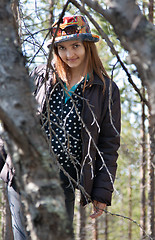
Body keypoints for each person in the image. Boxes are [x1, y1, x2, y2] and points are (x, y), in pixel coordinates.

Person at [0, 15, 121, 239]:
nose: (69, 54)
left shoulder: (106, 89)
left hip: (63, 181)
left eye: (75, 46)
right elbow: (15, 120)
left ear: (88, 46)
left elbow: (109, 143)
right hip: (23, 174)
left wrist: (102, 193)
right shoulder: (41, 76)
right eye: (62, 48)